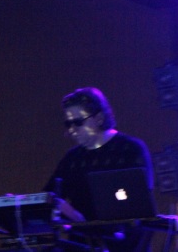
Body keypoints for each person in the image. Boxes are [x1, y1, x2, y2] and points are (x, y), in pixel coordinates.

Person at [44, 87, 154, 252]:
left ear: (99, 118)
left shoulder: (130, 149)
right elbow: (49, 196)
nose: (71, 130)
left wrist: (80, 218)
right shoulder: (72, 158)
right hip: (81, 245)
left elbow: (139, 206)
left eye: (78, 122)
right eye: (68, 124)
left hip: (125, 246)